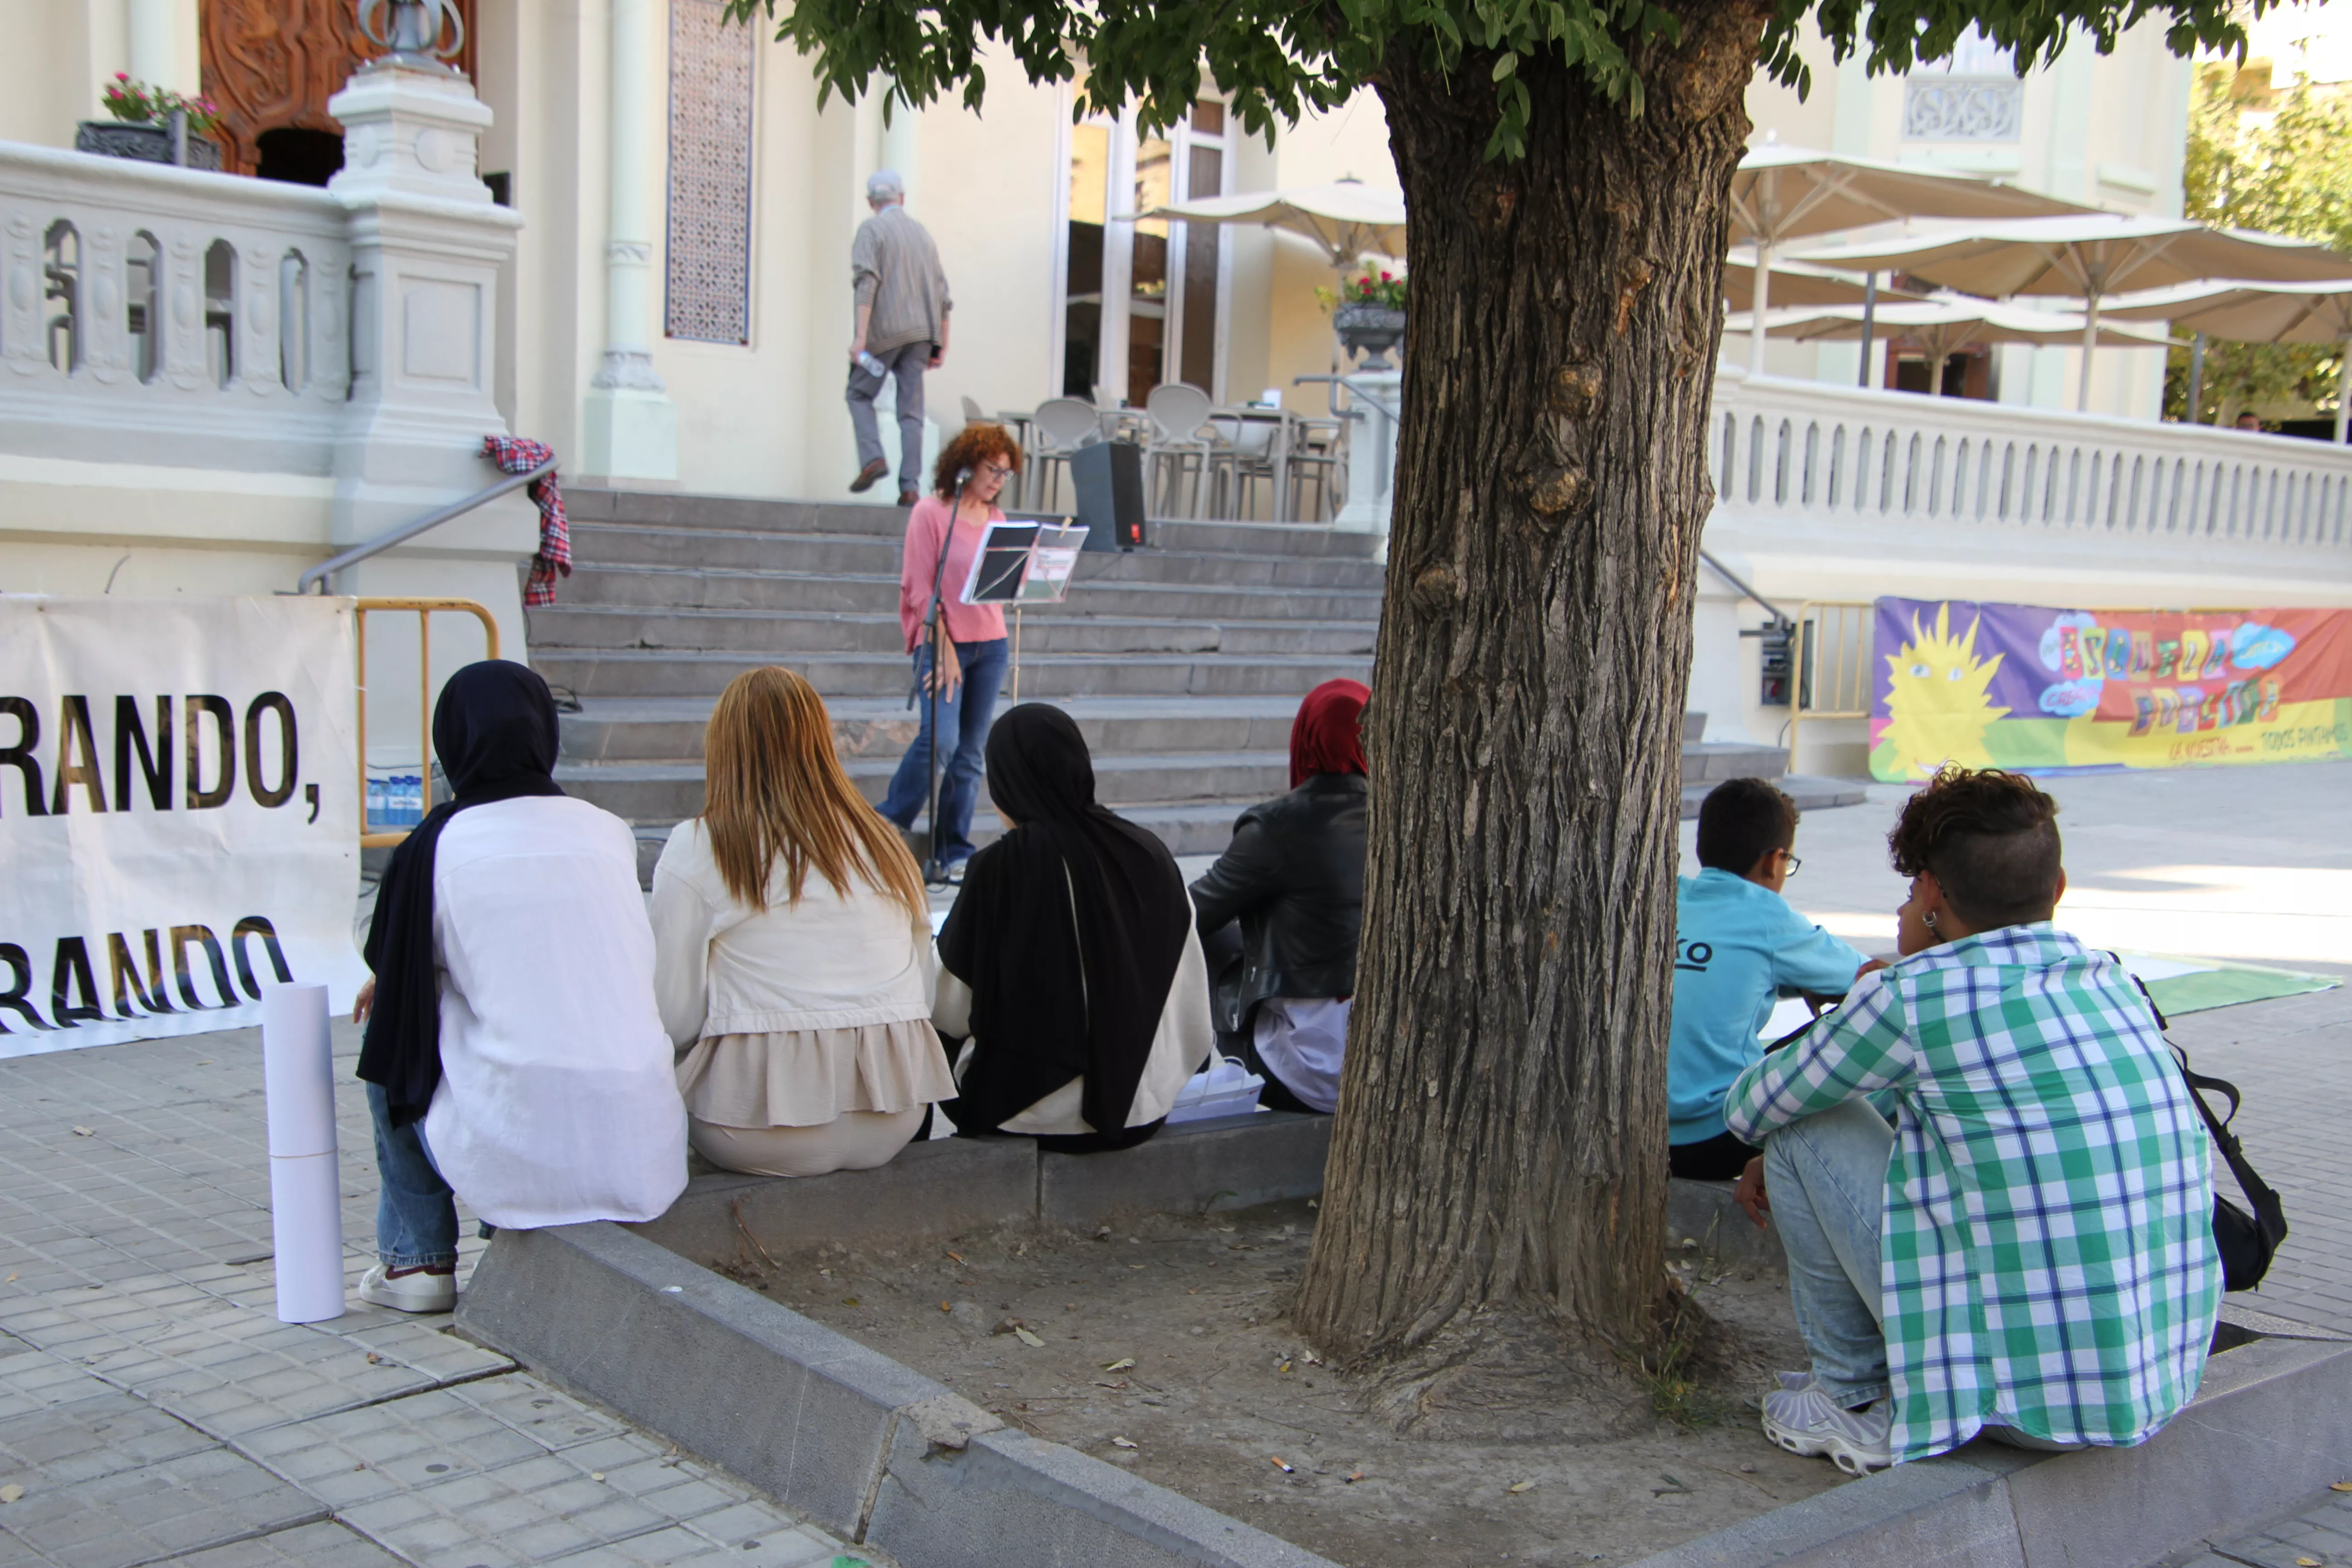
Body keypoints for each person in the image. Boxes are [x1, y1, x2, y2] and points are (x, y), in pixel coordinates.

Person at [1724, 766, 2219, 1476]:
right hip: (2151, 1381)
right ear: (2057, 889)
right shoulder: (2109, 980)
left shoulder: (1913, 994)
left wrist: (1879, 994)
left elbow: (1752, 1107)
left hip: (2020, 1405)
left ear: (1929, 893)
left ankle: (1854, 1397)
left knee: (1801, 1130)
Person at [353, 661, 687, 1313]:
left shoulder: (435, 845)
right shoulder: (607, 830)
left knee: (392, 1029)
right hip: (643, 1148)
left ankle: (415, 1260)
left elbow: (401, 975)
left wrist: (389, 980)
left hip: (520, 1137)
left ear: (451, 740)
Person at [651, 668, 959, 1177]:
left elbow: (673, 1018)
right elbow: (921, 997)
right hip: (895, 1113)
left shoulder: (702, 844)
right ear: (822, 741)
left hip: (752, 1127)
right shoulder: (885, 843)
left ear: (725, 748)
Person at [932, 704, 1213, 1151]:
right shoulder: (1150, 853)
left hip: (1030, 1118)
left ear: (1008, 780)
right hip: (1145, 1108)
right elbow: (1190, 994)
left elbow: (945, 1006)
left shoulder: (1003, 866)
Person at [1666, 778, 1871, 1180]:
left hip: (1633, 1127)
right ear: (1773, 861)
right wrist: (1807, 981)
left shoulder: (1668, 894)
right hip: (1714, 1139)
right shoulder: (1768, 917)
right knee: (1836, 1034)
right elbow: (1870, 979)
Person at [1189, 680, 1370, 1114]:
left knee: (1198, 937)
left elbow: (1187, 915)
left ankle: (1185, 1090)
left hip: (1309, 1074)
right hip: (1396, 1066)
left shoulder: (1276, 828)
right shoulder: (1414, 820)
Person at [878, 423, 1023, 882]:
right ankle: (885, 823)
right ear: (965, 466)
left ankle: (952, 847)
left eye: (1006, 473)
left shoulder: (998, 521)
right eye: (992, 469)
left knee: (972, 753)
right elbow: (922, 587)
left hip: (991, 642)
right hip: (943, 640)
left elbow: (995, 585)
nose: (999, 480)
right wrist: (943, 649)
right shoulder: (930, 512)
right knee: (940, 740)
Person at [847, 169, 953, 505]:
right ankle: (910, 488)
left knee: (859, 395)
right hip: (923, 334)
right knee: (911, 413)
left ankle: (873, 458)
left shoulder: (871, 230)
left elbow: (867, 282)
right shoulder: (923, 235)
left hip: (885, 333)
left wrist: (860, 337)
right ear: (902, 199)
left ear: (871, 202)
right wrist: (941, 344)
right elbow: (943, 297)